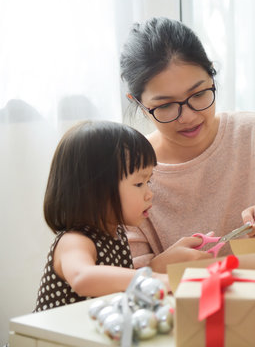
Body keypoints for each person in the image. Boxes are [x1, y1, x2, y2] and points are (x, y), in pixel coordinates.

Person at [120, 17, 255, 271]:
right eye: (165, 106)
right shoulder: (127, 171)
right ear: (138, 104)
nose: (188, 116)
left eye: (198, 94)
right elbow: (129, 284)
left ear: (212, 76)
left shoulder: (252, 135)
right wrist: (161, 267)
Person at [34, 120, 178, 312]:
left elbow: (117, 284)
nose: (149, 193)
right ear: (96, 191)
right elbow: (83, 278)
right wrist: (153, 279)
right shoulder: (74, 241)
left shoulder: (116, 234)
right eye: (139, 184)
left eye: (148, 181)